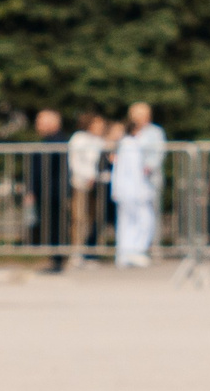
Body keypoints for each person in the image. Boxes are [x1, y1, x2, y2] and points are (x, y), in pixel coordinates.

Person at [112, 102, 164, 267]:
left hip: (140, 185)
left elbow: (155, 158)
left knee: (140, 219)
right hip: (134, 188)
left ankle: (133, 251)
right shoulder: (129, 142)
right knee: (138, 219)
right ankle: (130, 251)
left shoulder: (151, 134)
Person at [29, 108, 70, 271]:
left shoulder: (56, 141)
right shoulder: (49, 140)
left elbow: (43, 170)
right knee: (51, 226)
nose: (37, 125)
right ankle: (55, 259)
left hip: (53, 192)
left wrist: (34, 188)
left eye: (41, 121)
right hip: (48, 192)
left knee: (55, 227)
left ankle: (57, 260)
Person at [68, 112, 109, 265]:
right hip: (80, 183)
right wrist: (88, 176)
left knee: (93, 218)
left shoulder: (99, 141)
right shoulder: (79, 138)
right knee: (79, 218)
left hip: (96, 184)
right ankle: (76, 252)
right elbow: (75, 162)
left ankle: (90, 253)